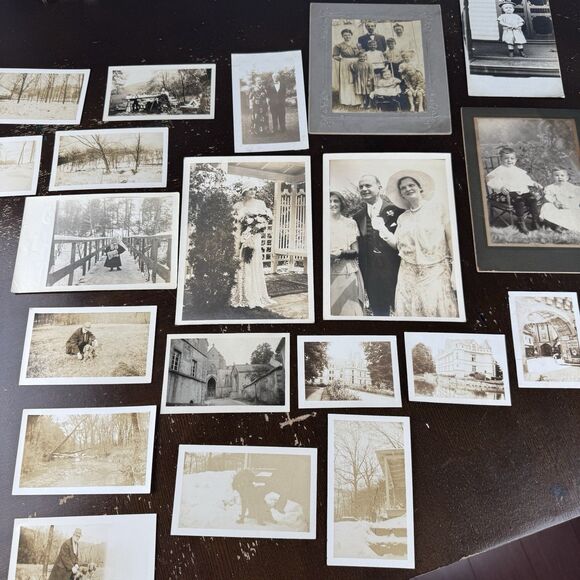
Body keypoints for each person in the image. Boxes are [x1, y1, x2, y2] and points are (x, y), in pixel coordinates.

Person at [373, 174, 458, 319]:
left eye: (411, 185)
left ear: (420, 188)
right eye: (403, 188)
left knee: (437, 311)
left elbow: (451, 238)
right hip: (408, 274)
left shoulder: (438, 208)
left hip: (436, 271)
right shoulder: (403, 217)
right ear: (401, 194)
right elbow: (397, 245)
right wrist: (383, 229)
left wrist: (455, 268)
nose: (408, 189)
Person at [352, 174, 404, 316]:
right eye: (361, 187)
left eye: (368, 185)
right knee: (379, 313)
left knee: (401, 310)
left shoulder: (397, 211)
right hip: (370, 273)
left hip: (395, 271)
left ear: (379, 187)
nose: (364, 189)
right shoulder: (357, 217)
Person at [231, 187, 275, 310]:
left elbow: (267, 219)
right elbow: (235, 221)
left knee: (253, 261)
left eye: (254, 189)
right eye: (249, 189)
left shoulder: (260, 203)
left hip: (254, 237)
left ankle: (254, 293)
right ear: (244, 192)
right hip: (242, 236)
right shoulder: (238, 205)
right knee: (242, 262)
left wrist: (258, 225)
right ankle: (242, 293)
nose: (252, 191)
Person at [486, 147, 543, 234]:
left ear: (515, 160)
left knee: (532, 199)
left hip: (522, 192)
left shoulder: (518, 170)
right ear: (501, 159)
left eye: (512, 158)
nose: (509, 160)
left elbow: (526, 179)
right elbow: (491, 181)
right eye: (506, 158)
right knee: (519, 201)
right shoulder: (499, 171)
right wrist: (501, 187)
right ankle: (520, 223)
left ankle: (535, 222)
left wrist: (534, 183)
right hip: (506, 194)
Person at [329, 191, 365, 316]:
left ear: (341, 203)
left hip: (346, 271)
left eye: (336, 201)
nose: (332, 204)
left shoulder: (350, 223)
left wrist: (340, 253)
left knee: (348, 310)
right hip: (326, 272)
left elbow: (356, 251)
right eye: (329, 201)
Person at [540, 168, 580, 233]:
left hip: (569, 206)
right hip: (556, 206)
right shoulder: (550, 187)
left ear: (567, 177)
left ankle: (564, 227)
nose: (559, 177)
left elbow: (576, 198)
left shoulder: (572, 188)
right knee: (547, 206)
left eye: (562, 175)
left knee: (571, 212)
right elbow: (548, 196)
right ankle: (554, 225)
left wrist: (569, 204)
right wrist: (554, 202)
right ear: (553, 177)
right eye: (557, 175)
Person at [332, 28, 362, 107]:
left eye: (349, 35)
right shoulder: (339, 45)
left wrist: (358, 60)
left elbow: (362, 54)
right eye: (345, 35)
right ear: (342, 36)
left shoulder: (357, 45)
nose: (347, 37)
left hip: (356, 63)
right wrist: (344, 61)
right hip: (345, 65)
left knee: (356, 80)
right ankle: (346, 100)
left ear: (351, 35)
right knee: (346, 81)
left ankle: (358, 100)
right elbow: (335, 56)